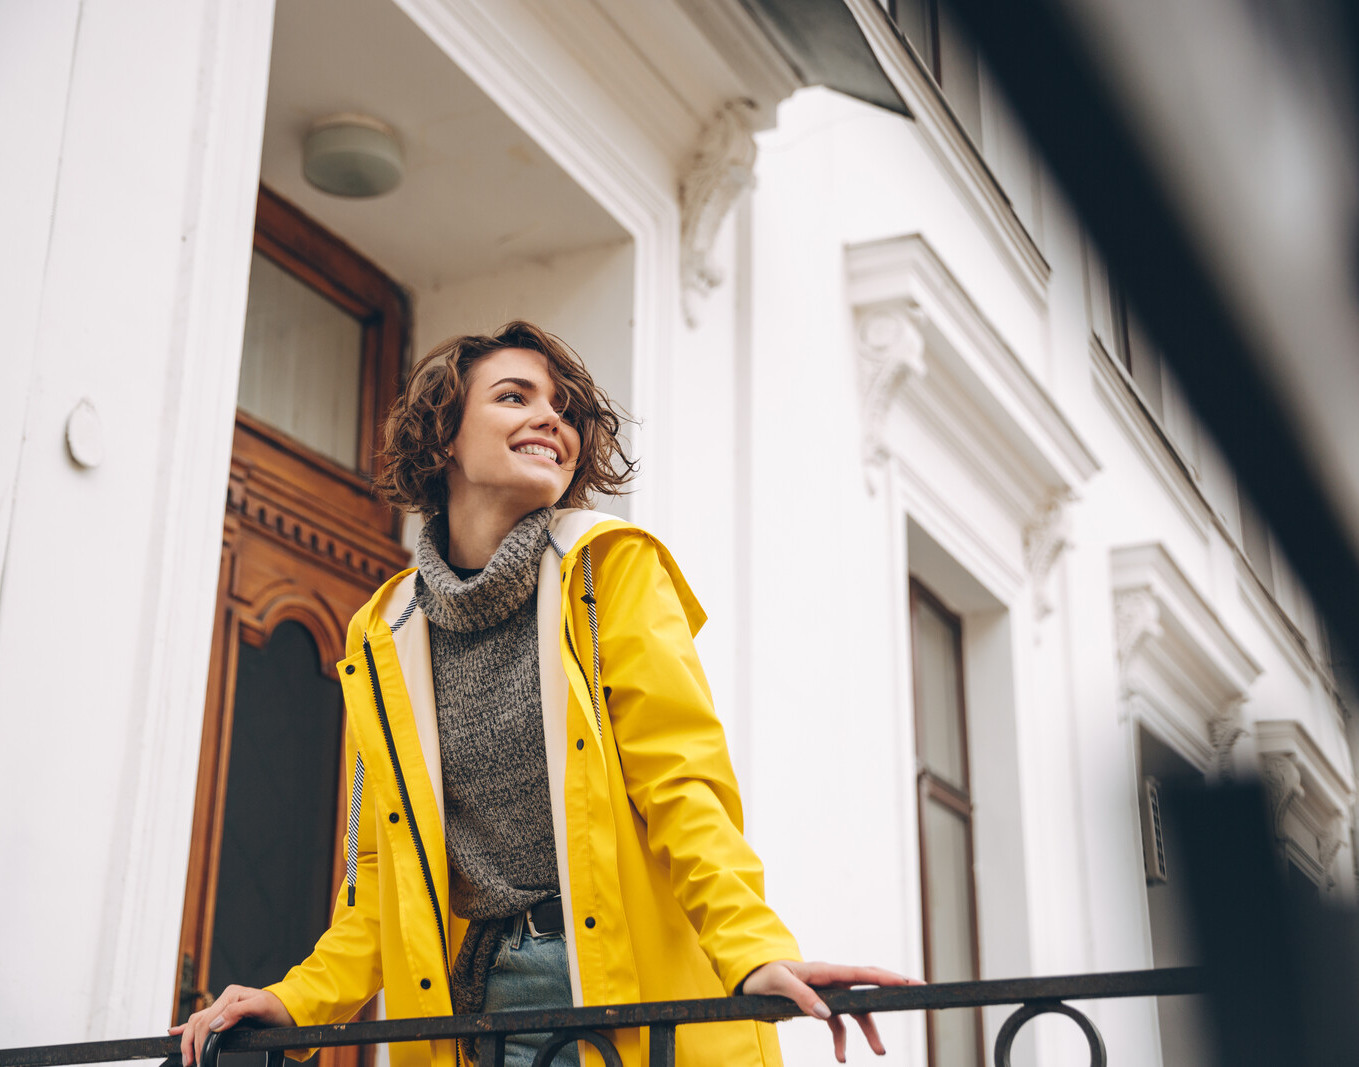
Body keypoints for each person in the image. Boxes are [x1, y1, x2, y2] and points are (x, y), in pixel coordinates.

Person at [171, 322, 914, 1067]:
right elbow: (380, 875)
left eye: (561, 407)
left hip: (624, 994)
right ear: (446, 438)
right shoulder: (382, 633)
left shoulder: (611, 573)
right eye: (513, 396)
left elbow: (683, 790)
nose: (550, 418)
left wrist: (753, 950)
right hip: (480, 1007)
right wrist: (298, 998)